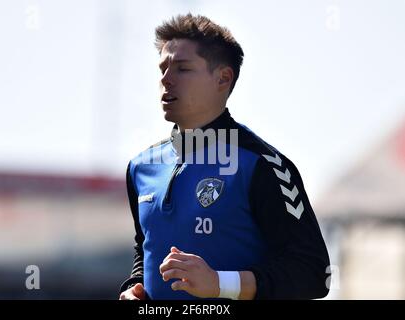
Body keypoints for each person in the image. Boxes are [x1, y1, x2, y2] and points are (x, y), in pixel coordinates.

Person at [119, 13, 330, 300]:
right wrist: (134, 287)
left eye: (182, 69)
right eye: (162, 69)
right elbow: (144, 247)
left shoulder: (262, 165)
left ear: (223, 78)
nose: (166, 80)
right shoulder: (141, 167)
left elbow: (313, 273)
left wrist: (220, 283)